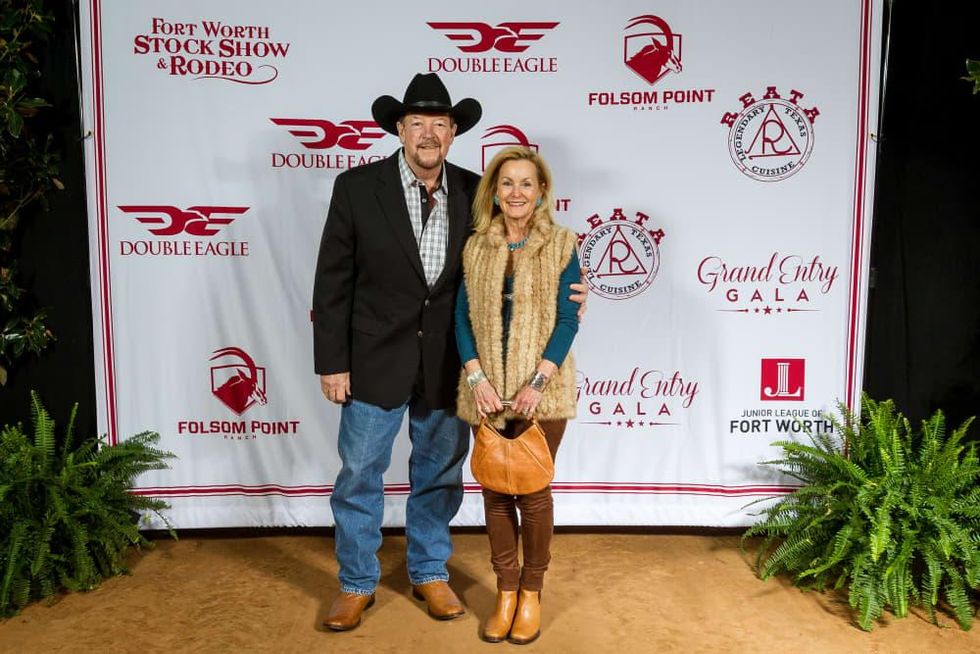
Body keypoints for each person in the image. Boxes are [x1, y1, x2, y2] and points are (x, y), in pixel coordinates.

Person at [312, 74, 586, 632]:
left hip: (451, 365)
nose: (428, 134)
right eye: (417, 123)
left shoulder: (474, 192)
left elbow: (507, 266)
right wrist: (332, 362)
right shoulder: (356, 188)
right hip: (373, 360)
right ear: (400, 129)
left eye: (440, 123)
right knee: (359, 473)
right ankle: (356, 582)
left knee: (439, 474)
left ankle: (429, 571)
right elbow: (332, 281)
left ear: (454, 132)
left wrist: (570, 290)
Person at [454, 147, 580, 645]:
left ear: (542, 191)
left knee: (532, 492)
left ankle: (531, 591)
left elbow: (568, 320)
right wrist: (476, 378)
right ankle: (505, 590)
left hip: (541, 393)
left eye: (526, 183)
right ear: (494, 191)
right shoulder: (475, 247)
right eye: (507, 183)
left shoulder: (563, 244)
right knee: (494, 491)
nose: (516, 192)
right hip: (485, 393)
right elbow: (462, 318)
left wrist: (538, 382)